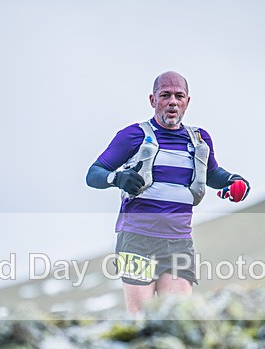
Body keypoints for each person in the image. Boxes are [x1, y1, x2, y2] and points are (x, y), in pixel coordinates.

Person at [86, 71, 250, 314]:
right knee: (142, 320)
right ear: (153, 100)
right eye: (165, 95)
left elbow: (213, 174)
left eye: (178, 96)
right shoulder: (133, 136)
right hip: (137, 240)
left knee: (176, 318)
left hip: (179, 242)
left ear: (187, 102)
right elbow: (94, 174)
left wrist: (234, 182)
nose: (172, 101)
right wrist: (117, 178)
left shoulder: (199, 139)